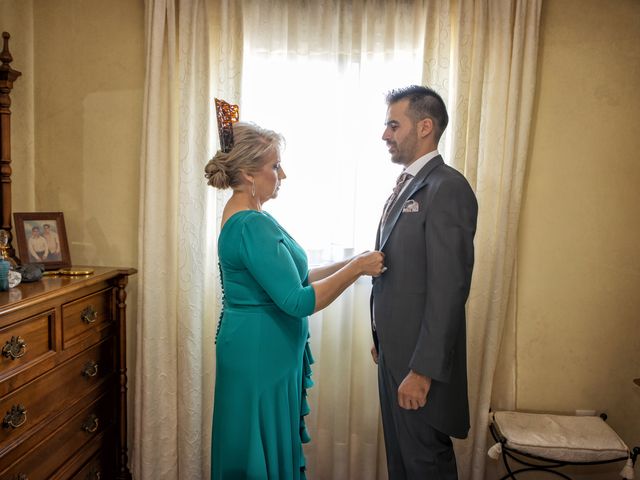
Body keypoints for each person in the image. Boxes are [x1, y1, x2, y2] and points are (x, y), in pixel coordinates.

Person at [205, 121, 385, 479]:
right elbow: (298, 300)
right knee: (257, 443)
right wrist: (357, 271)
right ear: (248, 173)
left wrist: (352, 262)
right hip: (259, 353)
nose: (282, 174)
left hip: (260, 347)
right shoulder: (250, 225)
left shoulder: (253, 217)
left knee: (261, 439)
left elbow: (296, 278)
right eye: (274, 166)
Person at [370, 85, 478, 479]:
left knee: (424, 466)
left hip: (419, 365)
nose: (385, 135)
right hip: (394, 355)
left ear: (425, 127)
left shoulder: (447, 187)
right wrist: (382, 334)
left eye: (393, 125)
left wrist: (423, 371)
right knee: (403, 463)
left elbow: (450, 289)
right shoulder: (406, 185)